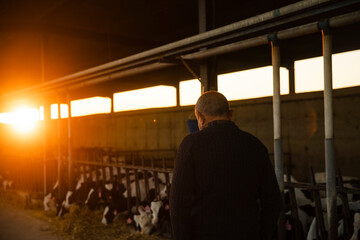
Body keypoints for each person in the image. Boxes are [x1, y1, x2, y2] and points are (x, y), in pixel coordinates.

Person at [170, 91, 282, 240]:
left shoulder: (191, 145)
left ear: (200, 117)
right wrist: (261, 234)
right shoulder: (255, 145)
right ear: (231, 114)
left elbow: (178, 204)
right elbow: (273, 200)